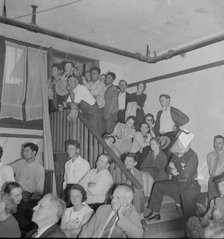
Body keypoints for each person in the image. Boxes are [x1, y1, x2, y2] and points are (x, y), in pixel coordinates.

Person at [144, 145, 201, 221]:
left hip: (189, 186)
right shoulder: (176, 153)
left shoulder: (193, 155)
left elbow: (186, 175)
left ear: (189, 143)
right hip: (177, 184)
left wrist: (176, 170)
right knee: (158, 186)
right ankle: (155, 213)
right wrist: (171, 170)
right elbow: (167, 168)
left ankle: (192, 224)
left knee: (189, 215)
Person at [79, 184, 144, 238]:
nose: (113, 201)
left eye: (117, 197)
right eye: (113, 197)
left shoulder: (132, 213)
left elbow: (138, 235)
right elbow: (86, 231)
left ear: (127, 200)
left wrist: (121, 215)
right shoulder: (102, 209)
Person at [186, 173, 224, 238]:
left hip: (213, 231)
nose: (221, 189)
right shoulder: (216, 200)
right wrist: (207, 212)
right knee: (192, 220)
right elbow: (206, 218)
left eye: (223, 185)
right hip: (209, 227)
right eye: (219, 185)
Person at [124, 153, 145, 218]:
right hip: (123, 190)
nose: (127, 163)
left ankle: (139, 215)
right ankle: (139, 216)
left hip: (133, 192)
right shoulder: (120, 169)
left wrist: (132, 173)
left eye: (130, 161)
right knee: (138, 191)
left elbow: (140, 185)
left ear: (135, 163)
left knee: (139, 191)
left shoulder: (137, 172)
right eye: (126, 160)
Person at [88, 67, 106, 135]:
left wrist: (89, 92)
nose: (92, 75)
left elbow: (93, 93)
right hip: (89, 108)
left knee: (97, 128)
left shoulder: (101, 84)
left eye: (94, 73)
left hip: (98, 108)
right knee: (89, 127)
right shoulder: (88, 84)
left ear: (99, 75)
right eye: (91, 73)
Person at [207, 135, 224, 202]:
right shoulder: (210, 155)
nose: (216, 145)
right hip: (211, 181)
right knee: (212, 202)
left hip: (222, 182)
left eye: (219, 143)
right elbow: (209, 168)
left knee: (221, 203)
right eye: (215, 142)